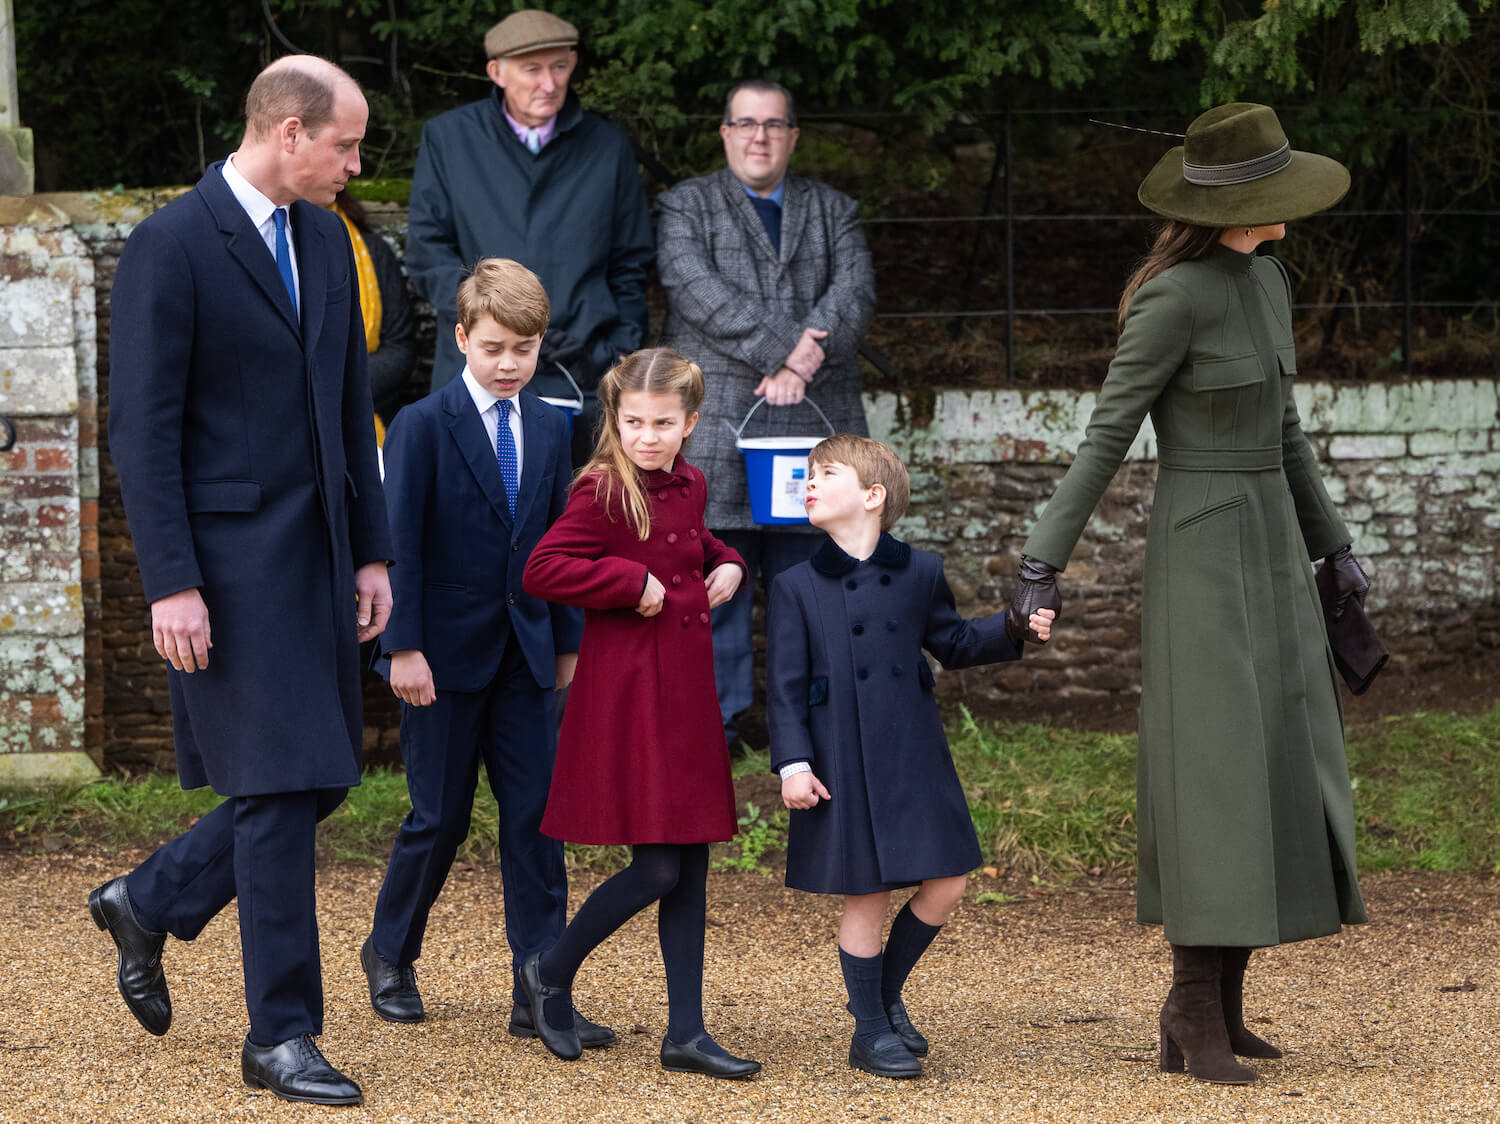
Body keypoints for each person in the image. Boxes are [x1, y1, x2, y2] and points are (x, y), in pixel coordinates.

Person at [1009, 102, 1371, 1085]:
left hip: (1271, 545)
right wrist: (1045, 556)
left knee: (1272, 765)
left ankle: (1224, 1007)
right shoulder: (1172, 299)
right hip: (1203, 548)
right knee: (1215, 775)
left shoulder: (1269, 280)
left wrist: (1333, 547)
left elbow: (1286, 430)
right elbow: (1108, 433)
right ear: (1240, 202)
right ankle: (1190, 1007)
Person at [94, 56, 392, 1105]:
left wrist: (370, 547)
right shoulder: (171, 246)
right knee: (274, 790)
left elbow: (349, 405)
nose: (357, 165)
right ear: (289, 132)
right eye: (347, 144)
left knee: (317, 778)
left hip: (315, 557)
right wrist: (170, 578)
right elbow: (142, 429)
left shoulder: (324, 234)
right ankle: (282, 1032)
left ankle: (150, 895)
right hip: (224, 569)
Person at [360, 258, 614, 1047]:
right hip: (436, 656)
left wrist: (567, 642)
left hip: (527, 653)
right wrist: (402, 649)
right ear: (463, 338)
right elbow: (399, 543)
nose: (510, 365)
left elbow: (559, 545)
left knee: (538, 820)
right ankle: (390, 953)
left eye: (526, 350)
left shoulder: (550, 424)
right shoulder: (422, 426)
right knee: (438, 819)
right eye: (496, 348)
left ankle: (539, 985)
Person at [766, 435, 1053, 1079]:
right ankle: (870, 1031)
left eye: (825, 474)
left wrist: (1011, 625)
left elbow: (951, 643)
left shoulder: (922, 570)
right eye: (807, 476)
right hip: (838, 756)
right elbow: (783, 687)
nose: (808, 483)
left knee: (947, 879)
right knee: (865, 894)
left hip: (913, 752)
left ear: (873, 496)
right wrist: (794, 764)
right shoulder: (795, 585)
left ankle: (882, 995)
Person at [519, 348, 761, 1079]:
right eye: (634, 422)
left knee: (690, 865)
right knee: (658, 866)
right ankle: (550, 972)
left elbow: (695, 545)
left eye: (662, 423)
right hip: (632, 695)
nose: (647, 436)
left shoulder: (688, 481)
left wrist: (732, 563)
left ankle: (686, 1031)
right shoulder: (599, 488)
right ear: (614, 420)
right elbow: (544, 568)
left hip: (686, 692)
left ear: (689, 423)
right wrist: (629, 582)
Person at [657, 78, 877, 747]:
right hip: (719, 418)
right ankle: (712, 726)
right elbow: (693, 288)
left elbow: (856, 290)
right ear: (725, 133)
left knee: (813, 584)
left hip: (817, 417)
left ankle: (807, 725)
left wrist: (803, 364)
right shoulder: (685, 205)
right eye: (747, 123)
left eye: (775, 125)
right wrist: (790, 351)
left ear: (793, 136)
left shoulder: (833, 208)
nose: (760, 136)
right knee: (712, 579)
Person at [405, 7, 653, 447]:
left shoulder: (607, 146)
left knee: (576, 510)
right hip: (476, 368)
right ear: (496, 72)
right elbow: (428, 252)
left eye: (560, 67)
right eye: (533, 69)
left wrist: (617, 351)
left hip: (583, 369)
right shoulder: (449, 138)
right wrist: (493, 322)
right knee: (471, 508)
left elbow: (631, 259)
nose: (550, 83)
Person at [329, 187, 417, 434]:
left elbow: (400, 346)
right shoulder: (272, 245)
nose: (352, 166)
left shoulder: (372, 249)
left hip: (370, 418)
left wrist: (332, 386)